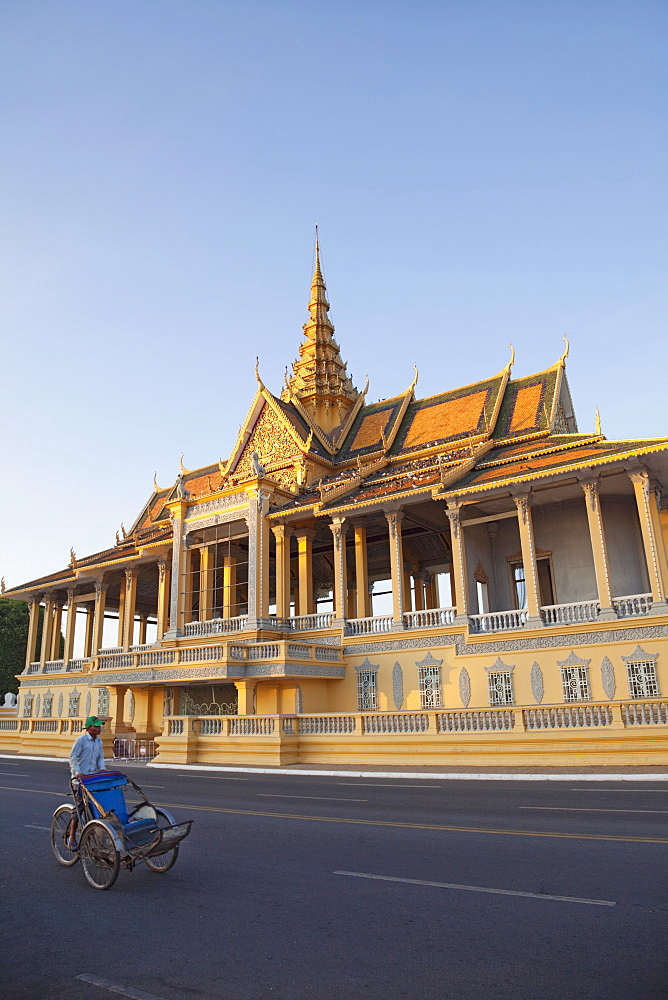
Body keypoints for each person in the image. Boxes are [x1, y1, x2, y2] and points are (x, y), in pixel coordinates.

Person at [66, 715, 107, 849]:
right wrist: (77, 772)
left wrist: (102, 769)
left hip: (92, 779)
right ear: (89, 728)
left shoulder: (99, 742)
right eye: (96, 727)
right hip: (80, 780)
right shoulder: (81, 741)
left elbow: (100, 757)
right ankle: (72, 835)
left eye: (99, 727)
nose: (98, 729)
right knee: (80, 808)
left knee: (98, 805)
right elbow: (73, 758)